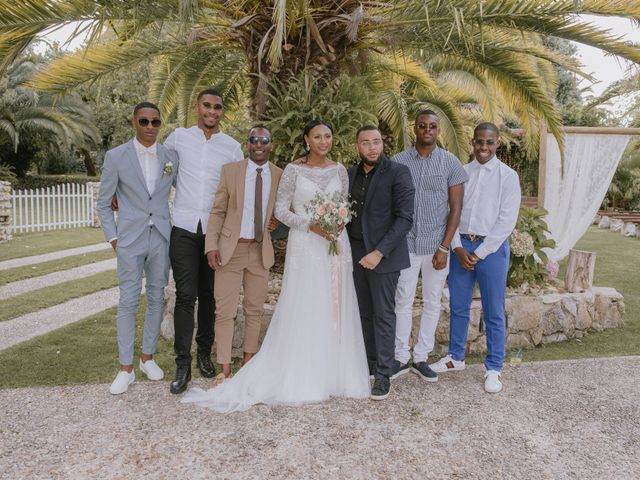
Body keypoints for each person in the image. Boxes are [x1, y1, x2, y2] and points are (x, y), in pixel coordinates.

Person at [181, 120, 370, 412]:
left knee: (334, 304)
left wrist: (338, 222)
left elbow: (343, 203)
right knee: (305, 304)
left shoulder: (340, 170)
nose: (323, 141)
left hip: (334, 245)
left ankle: (335, 372)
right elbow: (281, 210)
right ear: (307, 139)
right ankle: (297, 373)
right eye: (317, 136)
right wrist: (311, 225)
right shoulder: (292, 171)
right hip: (306, 244)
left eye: (328, 136)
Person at [430, 122, 521, 394]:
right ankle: (455, 357)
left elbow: (506, 221)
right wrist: (457, 248)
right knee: (458, 305)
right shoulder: (462, 172)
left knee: (494, 310)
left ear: (497, 144)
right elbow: (451, 211)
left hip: (490, 250)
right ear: (472, 141)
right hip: (461, 246)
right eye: (479, 141)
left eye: (489, 142)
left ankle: (493, 367)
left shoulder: (507, 176)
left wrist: (478, 253)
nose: (483, 147)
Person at [165, 89, 244, 394]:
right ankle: (182, 363)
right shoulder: (178, 138)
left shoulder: (232, 148)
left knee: (210, 295)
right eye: (207, 105)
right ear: (198, 107)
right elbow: (158, 172)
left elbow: (239, 191)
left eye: (217, 107)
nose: (212, 111)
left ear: (222, 111)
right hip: (183, 227)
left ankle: (204, 354)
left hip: (216, 232)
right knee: (186, 296)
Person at [97, 102, 178, 394]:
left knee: (157, 296)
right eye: (144, 121)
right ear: (134, 122)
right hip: (129, 239)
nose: (149, 127)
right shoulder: (116, 156)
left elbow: (182, 191)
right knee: (129, 300)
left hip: (161, 237)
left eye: (155, 122)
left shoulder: (171, 156)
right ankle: (125, 368)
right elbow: (104, 202)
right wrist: (113, 238)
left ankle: (147, 358)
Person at [392, 110, 467, 382]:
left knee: (432, 302)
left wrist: (445, 247)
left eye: (432, 126)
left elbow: (456, 208)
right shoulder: (397, 162)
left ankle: (421, 357)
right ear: (415, 129)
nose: (427, 130)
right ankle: (400, 357)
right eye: (422, 126)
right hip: (406, 245)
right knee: (403, 300)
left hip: (437, 246)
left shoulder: (451, 163)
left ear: (438, 130)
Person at [204, 126, 283, 380]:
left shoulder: (280, 175)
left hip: (261, 251)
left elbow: (282, 210)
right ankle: (224, 368)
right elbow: (217, 211)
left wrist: (276, 223)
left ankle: (249, 363)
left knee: (254, 309)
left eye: (264, 140)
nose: (258, 144)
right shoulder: (231, 171)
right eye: (253, 140)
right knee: (225, 310)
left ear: (271, 144)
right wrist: (211, 246)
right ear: (247, 144)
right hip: (231, 249)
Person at [347, 125, 415, 400]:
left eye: (376, 142)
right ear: (357, 146)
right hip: (353, 253)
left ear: (382, 144)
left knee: (383, 314)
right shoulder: (350, 174)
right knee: (362, 313)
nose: (372, 147)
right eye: (365, 143)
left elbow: (404, 219)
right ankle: (368, 364)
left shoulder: (398, 172)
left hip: (383, 257)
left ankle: (384, 374)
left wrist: (379, 252)